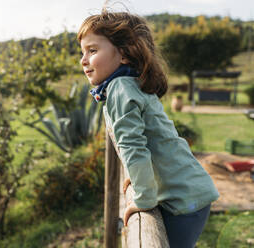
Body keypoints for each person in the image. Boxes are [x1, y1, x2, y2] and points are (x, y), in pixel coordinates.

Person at [77, 10, 219, 248]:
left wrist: (142, 198)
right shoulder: (129, 84)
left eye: (92, 51)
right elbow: (148, 139)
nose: (83, 60)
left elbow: (134, 146)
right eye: (82, 52)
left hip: (184, 200)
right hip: (189, 192)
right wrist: (136, 176)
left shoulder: (120, 88)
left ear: (124, 54)